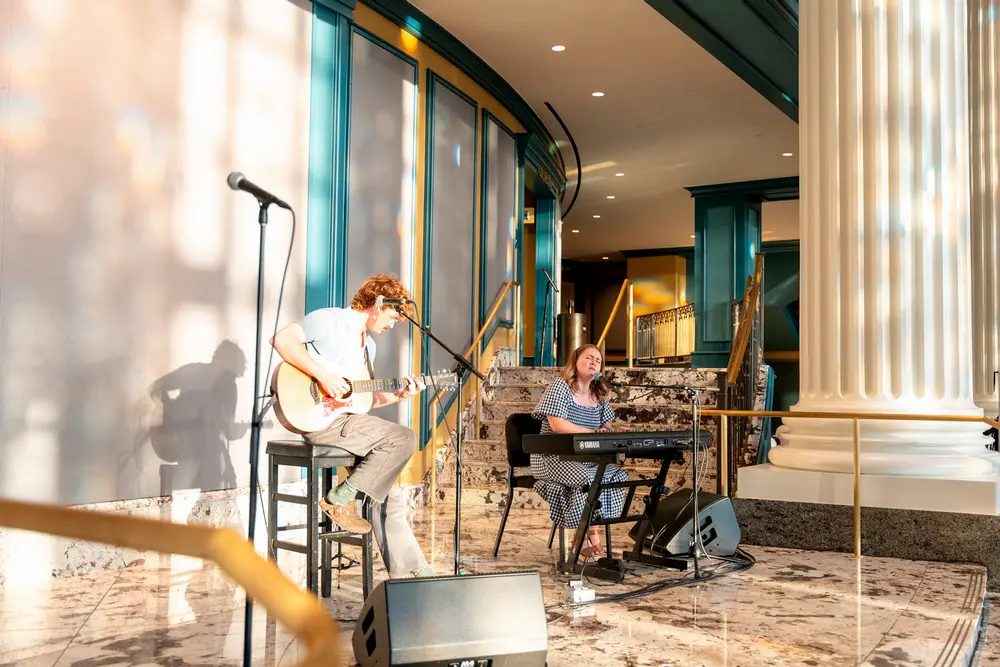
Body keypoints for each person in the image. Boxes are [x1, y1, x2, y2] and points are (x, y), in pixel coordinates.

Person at [270, 273, 435, 578]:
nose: (394, 323)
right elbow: (282, 340)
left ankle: (411, 573)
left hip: (347, 421)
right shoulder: (330, 320)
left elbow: (359, 401)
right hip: (319, 420)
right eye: (393, 316)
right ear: (377, 304)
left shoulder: (367, 347)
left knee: (388, 490)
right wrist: (323, 375)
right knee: (404, 438)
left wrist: (398, 395)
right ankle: (339, 499)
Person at [530, 343, 628, 558]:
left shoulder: (599, 394)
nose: (594, 361)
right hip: (553, 458)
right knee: (585, 478)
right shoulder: (560, 386)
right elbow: (558, 425)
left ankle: (590, 530)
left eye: (598, 360)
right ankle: (586, 536)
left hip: (585, 457)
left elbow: (605, 425)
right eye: (589, 357)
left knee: (616, 474)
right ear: (575, 361)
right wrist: (593, 431)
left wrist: (610, 430)